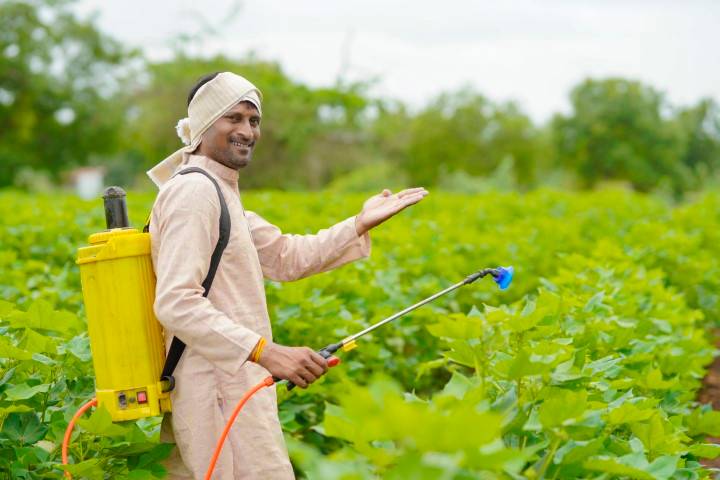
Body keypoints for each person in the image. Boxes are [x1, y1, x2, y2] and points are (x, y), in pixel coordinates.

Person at [146, 71, 428, 479]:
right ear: (205, 124)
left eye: (254, 120)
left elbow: (285, 256)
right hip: (215, 391)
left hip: (233, 385)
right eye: (234, 118)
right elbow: (176, 302)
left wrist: (359, 224)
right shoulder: (194, 193)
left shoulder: (220, 191)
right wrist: (268, 352)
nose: (247, 131)